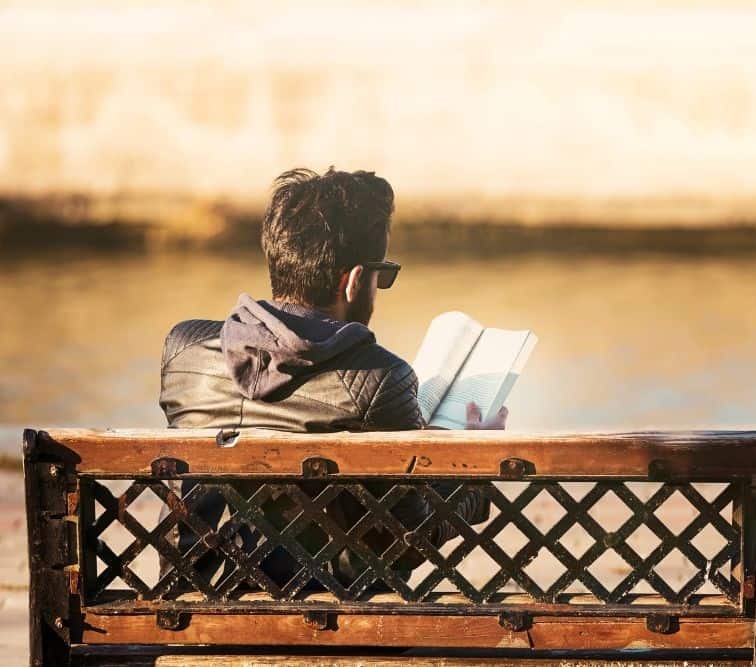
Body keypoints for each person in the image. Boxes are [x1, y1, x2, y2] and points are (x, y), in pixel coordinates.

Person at [158, 167, 504, 591]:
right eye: (383, 275)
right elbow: (412, 539)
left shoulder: (184, 350)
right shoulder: (379, 379)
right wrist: (478, 467)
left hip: (195, 606)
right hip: (338, 616)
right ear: (355, 280)